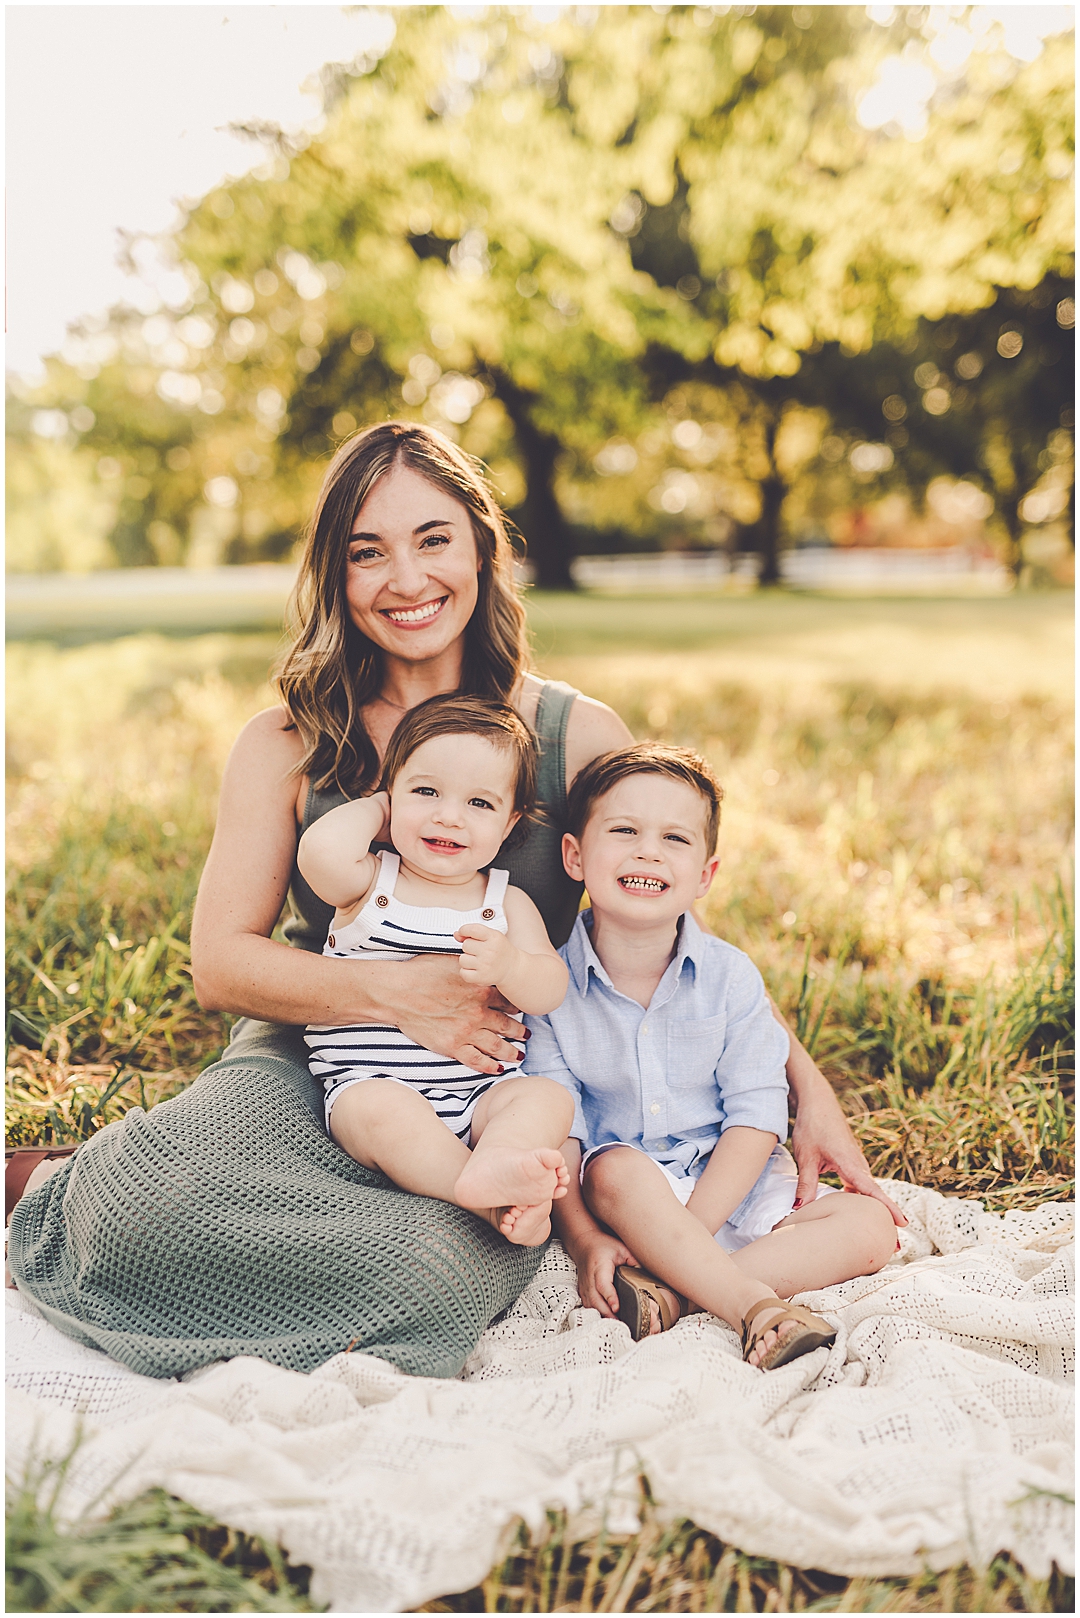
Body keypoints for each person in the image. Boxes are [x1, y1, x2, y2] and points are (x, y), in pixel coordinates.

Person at [8, 420, 902, 1381]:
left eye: (433, 538)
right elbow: (221, 964)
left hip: (496, 1092)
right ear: (334, 576)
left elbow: (669, 930)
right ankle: (66, 1181)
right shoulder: (288, 740)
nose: (406, 579)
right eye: (366, 552)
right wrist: (396, 999)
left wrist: (804, 1091)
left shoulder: (574, 733)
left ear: (483, 546)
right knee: (146, 1217)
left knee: (427, 1278)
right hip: (316, 1057)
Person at [522, 744, 899, 1371]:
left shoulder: (731, 977)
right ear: (574, 856)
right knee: (611, 1169)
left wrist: (689, 1239)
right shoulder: (549, 987)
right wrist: (586, 1241)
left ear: (705, 875)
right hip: (638, 1198)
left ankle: (679, 1292)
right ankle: (755, 1307)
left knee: (871, 1227)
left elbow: (757, 1115)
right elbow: (559, 1132)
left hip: (739, 1186)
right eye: (623, 831)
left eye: (675, 838)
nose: (648, 851)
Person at [298, 694, 573, 1245]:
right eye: (425, 791)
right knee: (381, 1112)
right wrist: (381, 806)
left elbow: (549, 988)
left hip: (478, 1095)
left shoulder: (505, 902)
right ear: (392, 793)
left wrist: (512, 963)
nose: (448, 815)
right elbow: (319, 853)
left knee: (547, 1099)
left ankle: (497, 1159)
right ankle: (472, 1189)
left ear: (510, 822)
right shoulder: (370, 883)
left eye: (480, 803)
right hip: (372, 1084)